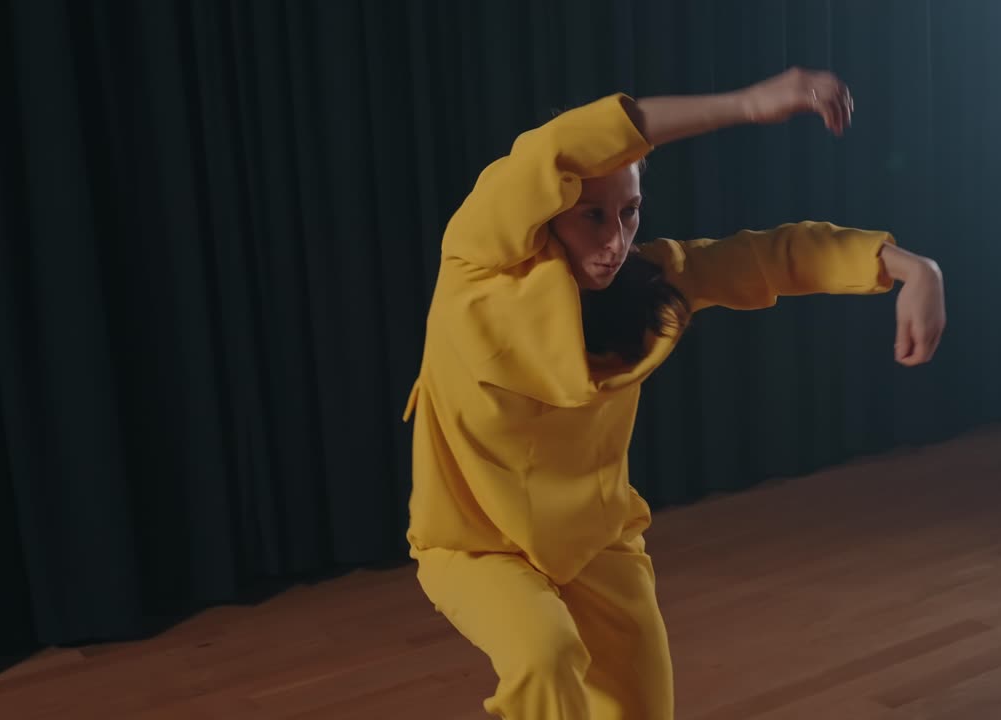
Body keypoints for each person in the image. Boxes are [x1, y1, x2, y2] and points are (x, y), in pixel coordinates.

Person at [401, 67, 947, 719]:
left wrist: (914, 267)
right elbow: (556, 150)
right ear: (545, 212)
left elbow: (772, 256)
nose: (615, 240)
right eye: (591, 217)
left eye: (629, 213)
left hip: (594, 541)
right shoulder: (475, 263)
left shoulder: (654, 283)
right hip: (476, 542)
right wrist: (745, 103)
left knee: (641, 705)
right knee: (544, 657)